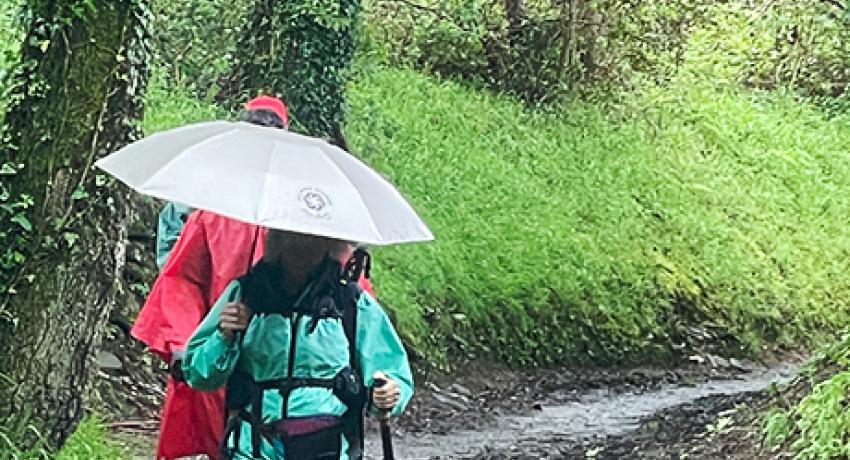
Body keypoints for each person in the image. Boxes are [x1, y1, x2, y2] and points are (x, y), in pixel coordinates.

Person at [132, 96, 375, 460]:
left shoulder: (298, 215)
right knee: (231, 436)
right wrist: (197, 341)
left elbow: (344, 291)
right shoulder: (213, 213)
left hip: (279, 359)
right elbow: (182, 279)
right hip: (226, 347)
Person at [182, 230, 412, 460]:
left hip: (327, 447)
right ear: (276, 241)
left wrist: (389, 392)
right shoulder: (245, 294)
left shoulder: (350, 302)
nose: (301, 246)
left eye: (313, 239)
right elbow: (199, 374)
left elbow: (392, 373)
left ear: (331, 245)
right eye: (291, 237)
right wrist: (224, 335)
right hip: (253, 447)